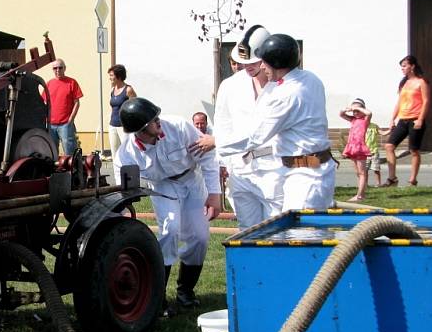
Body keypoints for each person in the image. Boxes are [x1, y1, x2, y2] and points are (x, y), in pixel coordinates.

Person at [113, 97, 221, 310]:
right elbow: (122, 182)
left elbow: (206, 156)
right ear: (141, 130)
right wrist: (124, 206)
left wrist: (215, 193)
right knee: (169, 231)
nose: (158, 121)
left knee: (200, 236)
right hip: (162, 186)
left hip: (191, 180)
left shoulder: (179, 126)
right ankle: (157, 295)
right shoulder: (127, 152)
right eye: (153, 121)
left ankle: (186, 291)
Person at [219, 33, 336, 211]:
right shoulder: (310, 79)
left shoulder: (286, 94)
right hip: (312, 169)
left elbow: (255, 136)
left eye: (264, 62)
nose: (262, 67)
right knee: (305, 232)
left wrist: (216, 143)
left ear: (276, 63)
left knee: (301, 235)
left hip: (305, 175)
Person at [210, 24, 284, 229]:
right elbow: (223, 124)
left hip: (275, 167)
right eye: (244, 61)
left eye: (253, 61)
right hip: (240, 168)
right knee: (247, 230)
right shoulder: (230, 86)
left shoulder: (283, 86)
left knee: (277, 230)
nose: (248, 66)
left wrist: (218, 143)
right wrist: (222, 164)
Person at [383, 55, 429, 187]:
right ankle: (392, 178)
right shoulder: (403, 83)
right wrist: (392, 119)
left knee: (414, 150)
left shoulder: (421, 82)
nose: (402, 69)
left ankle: (413, 180)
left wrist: (420, 119)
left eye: (404, 66)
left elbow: (426, 102)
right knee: (389, 146)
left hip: (415, 119)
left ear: (412, 66)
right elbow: (399, 102)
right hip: (403, 119)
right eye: (401, 66)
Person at [44, 58, 83, 155]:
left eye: (60, 67)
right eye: (55, 68)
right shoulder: (49, 84)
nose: (57, 70)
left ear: (64, 68)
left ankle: (73, 169)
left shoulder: (72, 82)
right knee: (52, 151)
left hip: (66, 124)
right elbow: (44, 103)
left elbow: (77, 103)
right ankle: (55, 169)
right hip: (51, 124)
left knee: (70, 151)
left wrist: (71, 119)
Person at [339, 98, 373, 201]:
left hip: (360, 148)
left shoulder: (365, 120)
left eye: (358, 110)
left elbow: (369, 112)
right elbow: (341, 114)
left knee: (362, 172)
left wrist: (358, 107)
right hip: (352, 147)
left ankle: (360, 196)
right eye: (354, 111)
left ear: (362, 109)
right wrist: (349, 109)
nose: (356, 112)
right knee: (358, 173)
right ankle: (362, 192)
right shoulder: (353, 119)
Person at [107, 64, 136, 158]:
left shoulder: (128, 90)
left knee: (128, 153)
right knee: (115, 154)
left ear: (119, 76)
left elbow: (135, 107)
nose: (110, 78)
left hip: (124, 127)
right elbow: (113, 108)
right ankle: (117, 173)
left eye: (112, 75)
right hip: (112, 126)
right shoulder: (113, 90)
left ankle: (130, 172)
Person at [365, 121, 382, 188]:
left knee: (376, 169)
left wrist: (390, 130)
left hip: (374, 151)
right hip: (364, 152)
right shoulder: (360, 125)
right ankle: (365, 184)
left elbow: (382, 132)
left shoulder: (374, 126)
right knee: (364, 170)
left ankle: (378, 183)